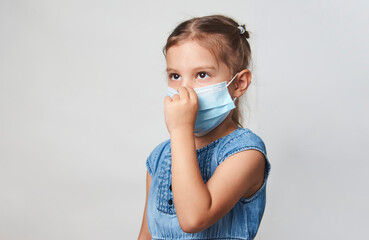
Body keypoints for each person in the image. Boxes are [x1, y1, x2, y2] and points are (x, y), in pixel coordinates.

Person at [138, 15, 271, 240]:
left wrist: (180, 130)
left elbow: (194, 219)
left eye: (202, 75)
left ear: (239, 84)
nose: (184, 89)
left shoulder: (246, 153)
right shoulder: (159, 158)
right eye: (175, 76)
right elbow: (146, 235)